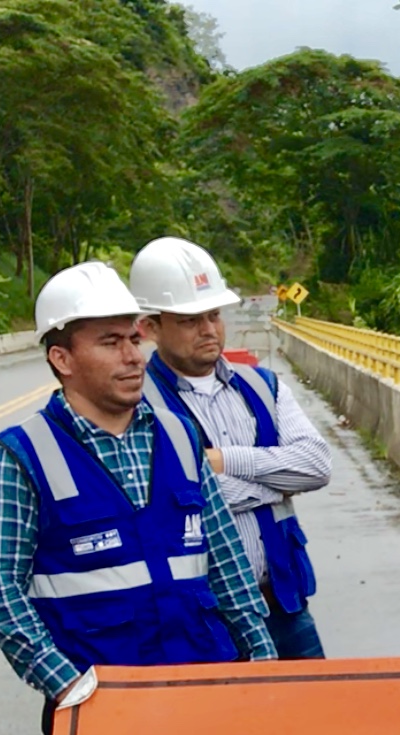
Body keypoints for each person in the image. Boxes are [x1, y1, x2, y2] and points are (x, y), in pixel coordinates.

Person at [0, 262, 276, 735]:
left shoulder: (178, 435)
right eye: (110, 343)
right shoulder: (22, 456)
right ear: (63, 359)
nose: (133, 356)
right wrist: (68, 687)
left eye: (134, 339)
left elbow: (227, 564)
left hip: (206, 686)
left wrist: (262, 661)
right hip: (102, 707)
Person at [130, 237, 332, 659]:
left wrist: (228, 462)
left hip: (285, 606)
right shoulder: (138, 406)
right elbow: (173, 501)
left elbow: (315, 466)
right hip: (202, 619)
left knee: (312, 723)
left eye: (214, 315)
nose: (209, 330)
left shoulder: (262, 385)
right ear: (150, 327)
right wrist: (278, 485)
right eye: (190, 320)